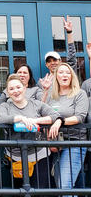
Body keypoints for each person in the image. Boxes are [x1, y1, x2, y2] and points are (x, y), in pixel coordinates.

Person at [0, 74, 63, 191]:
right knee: (21, 191)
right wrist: (21, 118)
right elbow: (0, 118)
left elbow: (55, 115)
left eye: (18, 87)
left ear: (24, 88)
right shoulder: (5, 106)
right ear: (8, 91)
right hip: (16, 157)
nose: (15, 91)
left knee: (40, 189)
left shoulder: (36, 104)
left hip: (39, 154)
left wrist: (35, 120)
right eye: (11, 89)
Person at [46, 63, 89, 193]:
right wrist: (49, 140)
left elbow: (80, 117)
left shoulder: (79, 94)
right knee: (72, 185)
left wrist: (60, 121)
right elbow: (43, 114)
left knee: (64, 186)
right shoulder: (51, 96)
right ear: (55, 76)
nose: (64, 75)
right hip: (57, 145)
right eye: (61, 72)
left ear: (72, 76)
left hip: (74, 143)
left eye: (67, 72)